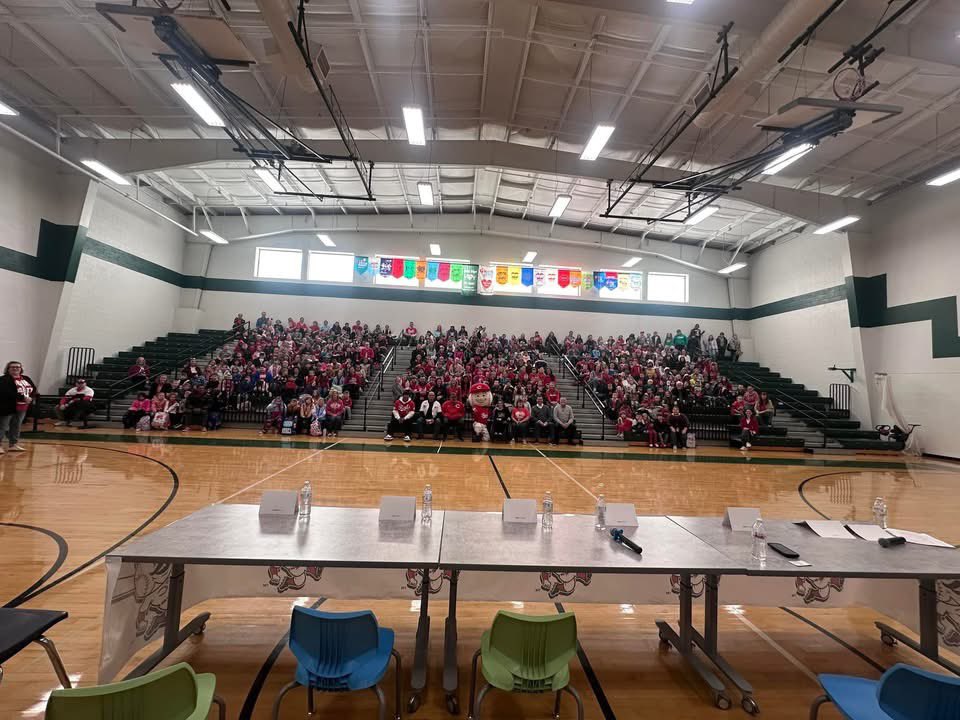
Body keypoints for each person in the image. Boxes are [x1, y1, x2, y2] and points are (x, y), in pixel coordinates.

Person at [0, 360, 36, 453]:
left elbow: (33, 389)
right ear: (8, 369)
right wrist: (23, 397)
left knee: (16, 426)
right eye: (13, 367)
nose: (15, 368)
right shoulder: (4, 379)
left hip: (22, 407)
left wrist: (31, 398)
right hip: (7, 407)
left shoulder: (26, 378)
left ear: (21, 369)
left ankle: (13, 444)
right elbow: (6, 392)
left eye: (18, 367)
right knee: (2, 426)